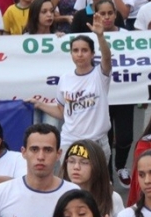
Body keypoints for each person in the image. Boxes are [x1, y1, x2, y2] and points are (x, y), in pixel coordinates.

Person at [30, 26, 114, 161]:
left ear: (92, 54)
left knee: (97, 176)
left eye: (84, 50)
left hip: (97, 143)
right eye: (75, 50)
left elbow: (107, 58)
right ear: (71, 54)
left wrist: (100, 36)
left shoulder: (100, 74)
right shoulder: (65, 79)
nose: (79, 54)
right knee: (70, 175)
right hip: (69, 142)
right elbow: (62, 112)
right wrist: (39, 105)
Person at [60, 140, 122, 217]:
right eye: (71, 161)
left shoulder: (112, 198)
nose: (76, 167)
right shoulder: (57, 194)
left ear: (97, 166)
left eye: (84, 162)